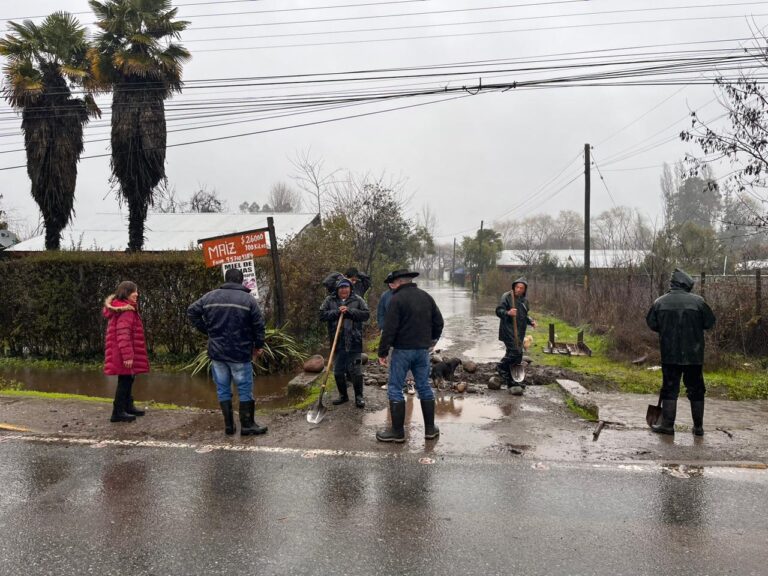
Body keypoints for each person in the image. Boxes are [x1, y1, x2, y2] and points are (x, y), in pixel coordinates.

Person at [187, 268, 267, 436]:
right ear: (241, 281)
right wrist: (258, 345)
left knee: (223, 389)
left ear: (226, 279)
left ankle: (229, 426)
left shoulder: (209, 296)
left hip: (217, 353)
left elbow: (192, 311)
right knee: (244, 389)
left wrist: (207, 330)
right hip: (240, 353)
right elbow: (259, 325)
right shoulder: (248, 300)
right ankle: (247, 425)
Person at [376, 269, 444, 442]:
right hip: (422, 351)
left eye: (393, 283)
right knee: (424, 386)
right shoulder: (426, 297)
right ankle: (430, 430)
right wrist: (433, 340)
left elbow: (389, 328)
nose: (392, 287)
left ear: (399, 282)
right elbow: (439, 322)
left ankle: (397, 432)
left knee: (394, 387)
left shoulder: (396, 299)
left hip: (402, 351)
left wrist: (382, 352)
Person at [646, 268, 716, 436]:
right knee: (697, 389)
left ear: (673, 284)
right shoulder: (698, 302)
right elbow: (709, 322)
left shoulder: (659, 302)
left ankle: (668, 426)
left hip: (669, 354)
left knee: (670, 388)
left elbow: (652, 324)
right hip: (694, 355)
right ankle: (698, 427)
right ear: (686, 285)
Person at [319, 278, 370, 408]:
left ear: (350, 288)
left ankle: (359, 397)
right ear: (337, 289)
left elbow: (366, 315)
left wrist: (349, 311)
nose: (344, 290)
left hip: (354, 341)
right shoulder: (330, 300)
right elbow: (322, 315)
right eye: (341, 288)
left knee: (356, 371)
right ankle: (343, 396)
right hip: (337, 342)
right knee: (338, 371)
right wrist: (337, 312)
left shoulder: (357, 299)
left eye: (346, 287)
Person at [103, 281, 150, 423]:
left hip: (120, 351)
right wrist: (128, 356)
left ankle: (128, 407)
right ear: (126, 293)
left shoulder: (120, 308)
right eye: (134, 291)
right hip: (123, 352)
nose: (137, 294)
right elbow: (123, 334)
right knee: (125, 380)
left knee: (129, 378)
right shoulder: (126, 311)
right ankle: (117, 412)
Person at [495, 277, 537, 395]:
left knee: (518, 357)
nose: (519, 290)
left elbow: (524, 316)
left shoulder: (524, 301)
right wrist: (508, 313)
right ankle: (501, 367)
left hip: (519, 332)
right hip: (508, 330)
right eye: (517, 287)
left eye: (521, 288)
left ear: (524, 290)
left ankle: (512, 380)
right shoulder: (507, 296)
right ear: (514, 287)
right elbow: (498, 311)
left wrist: (531, 321)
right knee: (515, 352)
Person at [377, 275, 415, 395]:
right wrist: (384, 328)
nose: (392, 284)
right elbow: (381, 314)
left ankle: (410, 383)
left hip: (406, 333)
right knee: (390, 357)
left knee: (408, 359)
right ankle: (392, 382)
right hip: (390, 333)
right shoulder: (385, 296)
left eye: (394, 282)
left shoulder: (409, 295)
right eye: (390, 282)